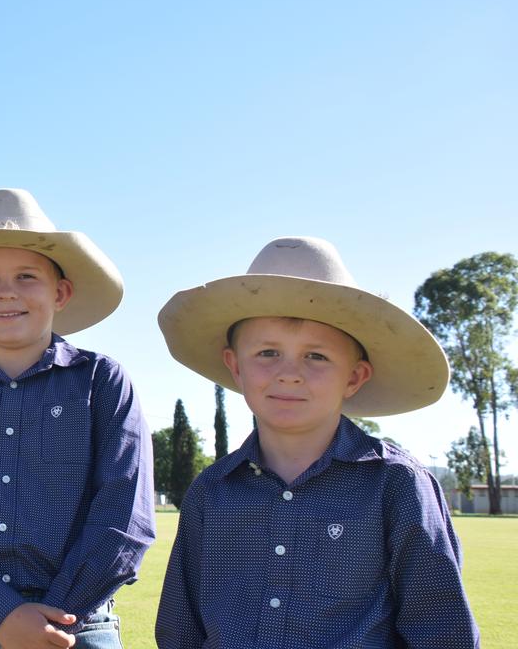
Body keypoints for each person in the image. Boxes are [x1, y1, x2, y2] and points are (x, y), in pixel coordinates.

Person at [154, 236, 481, 648]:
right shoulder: (211, 492)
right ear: (235, 367)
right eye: (268, 352)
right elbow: (180, 632)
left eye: (317, 357)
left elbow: (442, 633)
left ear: (355, 377)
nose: (289, 373)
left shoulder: (397, 486)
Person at [0, 188, 155, 649]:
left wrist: (50, 621)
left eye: (26, 276)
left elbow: (124, 519)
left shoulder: (102, 382)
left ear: (61, 291)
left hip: (79, 623)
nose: (7, 292)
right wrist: (1, 613)